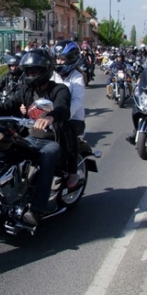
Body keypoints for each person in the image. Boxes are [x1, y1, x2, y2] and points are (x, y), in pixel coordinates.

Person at [0, 48, 71, 226]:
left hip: (52, 140)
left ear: (46, 70)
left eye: (35, 71)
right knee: (8, 150)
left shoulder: (59, 89)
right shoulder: (26, 90)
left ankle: (37, 209)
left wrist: (51, 117)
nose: (31, 74)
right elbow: (9, 105)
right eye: (28, 71)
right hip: (30, 137)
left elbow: (63, 107)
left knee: (46, 157)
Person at [51, 40, 85, 188]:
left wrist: (63, 115)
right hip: (52, 116)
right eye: (57, 58)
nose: (59, 61)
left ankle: (72, 172)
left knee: (67, 131)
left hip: (73, 119)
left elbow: (77, 101)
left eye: (62, 58)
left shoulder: (77, 77)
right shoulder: (52, 75)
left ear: (71, 58)